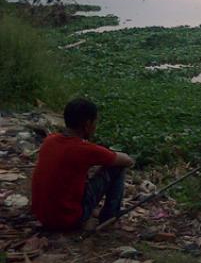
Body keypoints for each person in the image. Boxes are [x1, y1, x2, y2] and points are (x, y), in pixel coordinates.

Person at [31, 98, 135, 230]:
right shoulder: (84, 149)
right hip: (68, 220)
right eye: (95, 122)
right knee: (118, 167)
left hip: (43, 216)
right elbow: (127, 160)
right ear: (87, 124)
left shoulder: (50, 141)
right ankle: (109, 217)